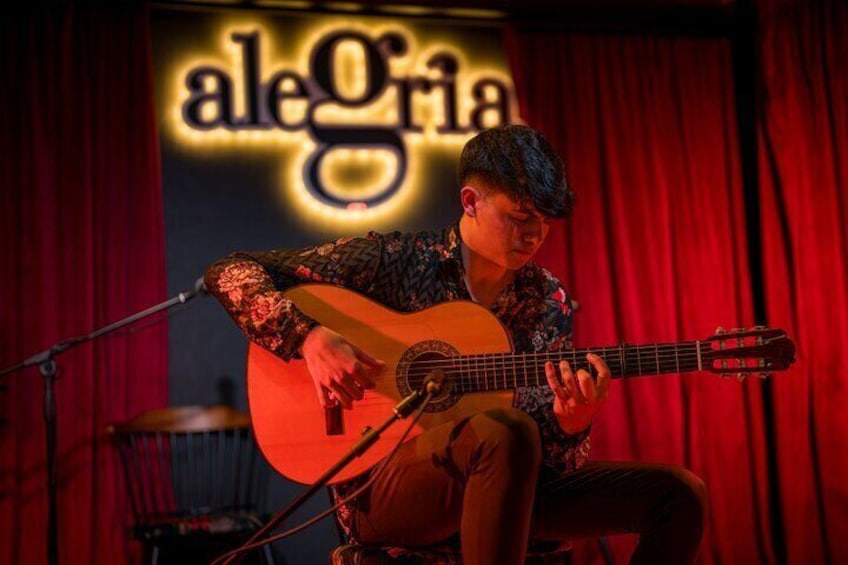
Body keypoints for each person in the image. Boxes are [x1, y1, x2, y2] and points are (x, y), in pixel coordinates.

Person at [204, 125, 707, 564]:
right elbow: (229, 272)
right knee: (503, 430)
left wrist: (571, 427)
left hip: (501, 483)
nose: (535, 235)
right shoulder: (394, 260)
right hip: (384, 489)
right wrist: (308, 337)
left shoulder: (546, 299)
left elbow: (544, 461)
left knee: (678, 494)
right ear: (471, 201)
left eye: (546, 221)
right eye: (521, 216)